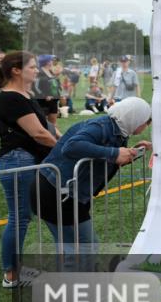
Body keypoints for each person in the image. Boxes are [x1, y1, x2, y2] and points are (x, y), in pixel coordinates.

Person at [32, 98, 151, 254]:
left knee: (71, 249)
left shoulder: (117, 129)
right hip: (56, 192)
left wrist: (132, 153)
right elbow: (71, 146)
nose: (146, 126)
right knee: (84, 247)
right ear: (134, 118)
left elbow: (107, 160)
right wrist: (114, 153)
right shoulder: (102, 127)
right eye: (146, 122)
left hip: (64, 191)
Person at [0, 51, 58, 287]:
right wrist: (65, 149)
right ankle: (11, 274)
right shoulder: (10, 97)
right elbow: (39, 134)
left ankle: (14, 269)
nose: (37, 70)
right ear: (16, 70)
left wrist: (63, 139)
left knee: (21, 217)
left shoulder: (24, 94)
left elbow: (47, 126)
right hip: (16, 161)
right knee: (19, 217)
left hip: (24, 159)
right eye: (32, 66)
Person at [33, 54, 60, 128]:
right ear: (47, 62)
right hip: (43, 102)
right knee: (43, 123)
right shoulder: (39, 72)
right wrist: (44, 96)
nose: (53, 61)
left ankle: (56, 139)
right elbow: (35, 87)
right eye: (51, 60)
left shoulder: (51, 72)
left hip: (53, 100)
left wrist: (59, 93)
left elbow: (55, 85)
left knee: (53, 124)